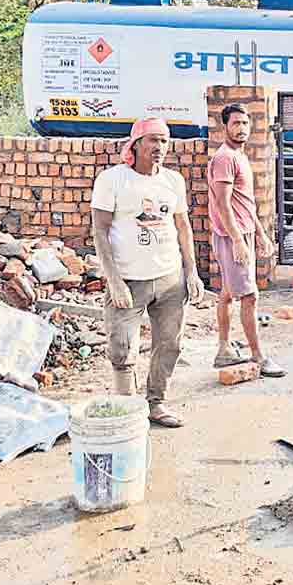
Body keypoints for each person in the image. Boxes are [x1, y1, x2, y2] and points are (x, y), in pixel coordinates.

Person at [91, 117, 204, 428]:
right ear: (136, 144)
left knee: (170, 345)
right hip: (128, 280)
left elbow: (183, 227)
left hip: (170, 279)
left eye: (164, 141)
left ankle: (156, 403)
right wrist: (114, 281)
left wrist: (191, 272)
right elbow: (100, 231)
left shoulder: (173, 181)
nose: (159, 147)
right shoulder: (113, 180)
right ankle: (128, 411)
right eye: (153, 140)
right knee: (121, 348)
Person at [207, 103, 286, 377]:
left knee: (228, 293)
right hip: (233, 236)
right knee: (250, 296)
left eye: (244, 123)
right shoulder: (225, 158)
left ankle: (224, 350)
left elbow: (245, 203)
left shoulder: (239, 156)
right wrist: (238, 240)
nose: (241, 128)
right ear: (225, 127)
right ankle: (258, 356)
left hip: (243, 233)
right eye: (235, 123)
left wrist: (260, 234)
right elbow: (223, 204)